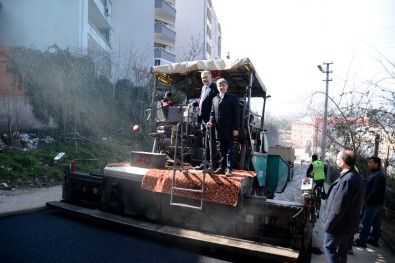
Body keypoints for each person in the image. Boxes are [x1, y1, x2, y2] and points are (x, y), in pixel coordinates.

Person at [322, 149, 365, 263]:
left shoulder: (348, 179)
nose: (336, 161)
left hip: (339, 225)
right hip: (347, 224)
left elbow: (338, 208)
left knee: (328, 247)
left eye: (337, 159)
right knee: (342, 250)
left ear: (343, 162)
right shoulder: (355, 176)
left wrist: (329, 225)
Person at [207, 78, 239, 177]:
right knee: (222, 149)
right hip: (219, 129)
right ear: (217, 87)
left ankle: (229, 169)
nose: (221, 87)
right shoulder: (215, 98)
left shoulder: (232, 97)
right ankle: (222, 167)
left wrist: (235, 128)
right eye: (219, 85)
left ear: (227, 86)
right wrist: (210, 122)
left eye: (223, 85)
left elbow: (236, 114)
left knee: (230, 150)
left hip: (230, 128)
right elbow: (212, 113)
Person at [354, 156, 386, 248]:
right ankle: (374, 240)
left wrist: (367, 199)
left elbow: (375, 191)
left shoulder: (378, 175)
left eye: (370, 163)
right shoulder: (377, 174)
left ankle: (362, 241)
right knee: (376, 223)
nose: (369, 164)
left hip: (373, 203)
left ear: (376, 164)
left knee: (366, 222)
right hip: (376, 203)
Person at [190, 70, 219, 170]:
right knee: (205, 141)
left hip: (210, 120)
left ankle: (212, 164)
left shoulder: (215, 88)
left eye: (206, 77)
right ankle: (204, 163)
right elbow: (201, 101)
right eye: (202, 78)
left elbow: (215, 105)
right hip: (203, 118)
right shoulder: (204, 88)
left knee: (211, 142)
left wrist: (212, 119)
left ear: (211, 76)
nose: (204, 79)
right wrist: (193, 104)